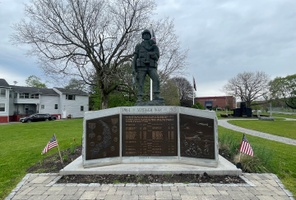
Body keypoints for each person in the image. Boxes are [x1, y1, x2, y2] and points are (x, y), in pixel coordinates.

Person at [132, 29, 163, 103]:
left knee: (156, 79)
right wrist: (133, 68)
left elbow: (157, 57)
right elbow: (135, 58)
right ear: (142, 36)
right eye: (144, 34)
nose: (146, 35)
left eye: (148, 34)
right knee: (140, 82)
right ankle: (140, 97)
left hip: (151, 66)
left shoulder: (154, 46)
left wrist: (150, 54)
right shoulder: (139, 46)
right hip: (141, 67)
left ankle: (156, 95)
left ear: (150, 36)